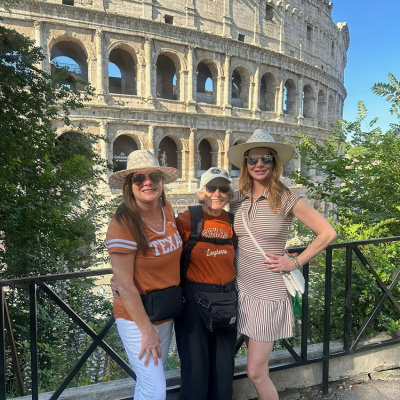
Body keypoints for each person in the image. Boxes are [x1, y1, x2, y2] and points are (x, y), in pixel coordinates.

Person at [227, 129, 336, 400]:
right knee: (254, 364)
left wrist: (295, 261)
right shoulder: (239, 199)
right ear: (245, 165)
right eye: (252, 160)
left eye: (266, 159)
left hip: (268, 294)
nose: (259, 164)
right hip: (242, 291)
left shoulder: (286, 198)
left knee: (255, 371)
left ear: (275, 163)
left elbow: (328, 233)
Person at [106, 149, 182, 400]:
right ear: (130, 186)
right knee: (155, 388)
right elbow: (125, 285)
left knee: (148, 381)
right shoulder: (123, 222)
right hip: (136, 317)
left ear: (161, 182)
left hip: (164, 310)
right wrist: (146, 330)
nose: (147, 182)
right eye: (139, 178)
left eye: (153, 176)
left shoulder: (167, 209)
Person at [175, 167, 237, 400]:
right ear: (202, 192)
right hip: (194, 299)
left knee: (223, 369)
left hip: (226, 299)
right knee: (195, 368)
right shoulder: (187, 219)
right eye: (211, 188)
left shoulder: (232, 222)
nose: (217, 194)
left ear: (228, 194)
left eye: (223, 189)